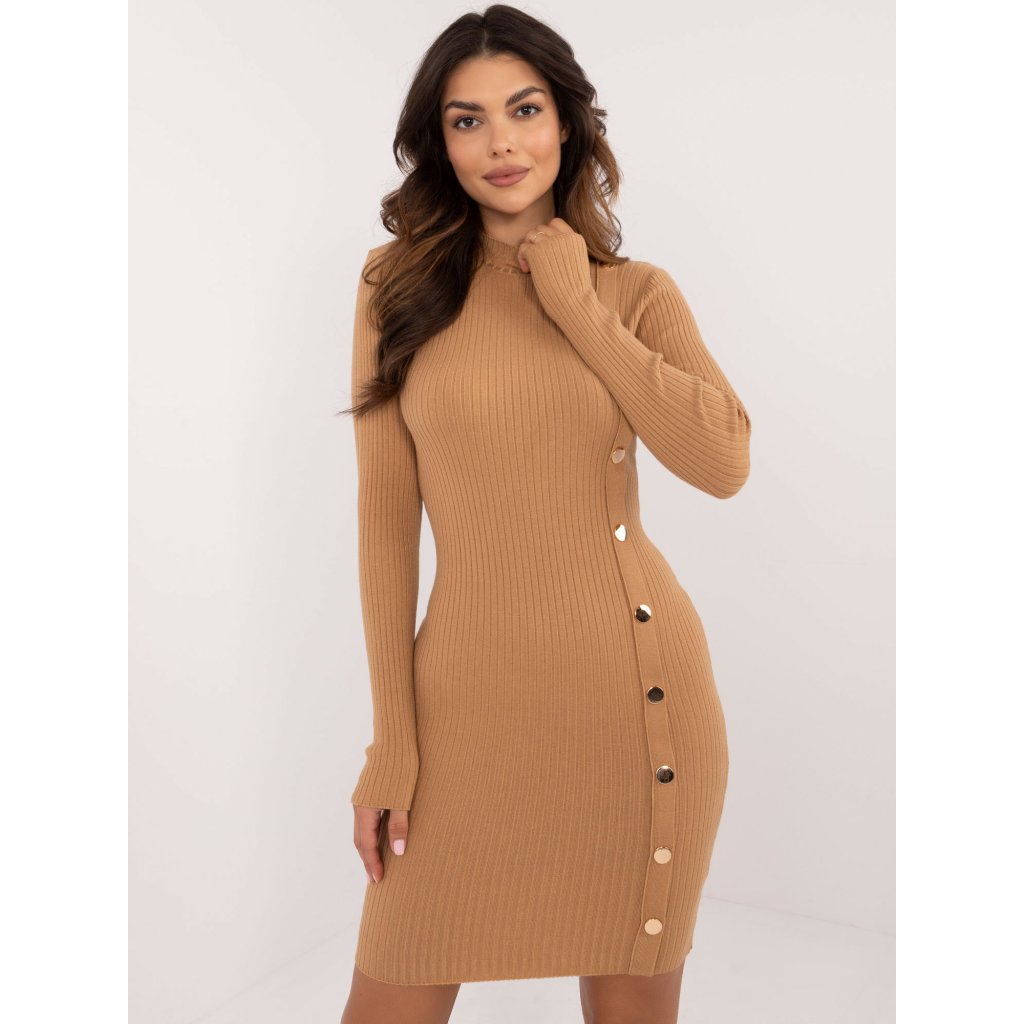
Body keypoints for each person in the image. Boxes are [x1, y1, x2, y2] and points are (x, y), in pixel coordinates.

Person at [338, 6, 752, 1022]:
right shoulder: (395, 289)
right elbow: (385, 523)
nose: (500, 143)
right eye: (466, 120)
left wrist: (574, 301)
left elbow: (722, 462)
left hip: (636, 713)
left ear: (565, 122)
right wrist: (391, 742)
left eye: (523, 110)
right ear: (440, 142)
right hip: (463, 717)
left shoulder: (633, 292)